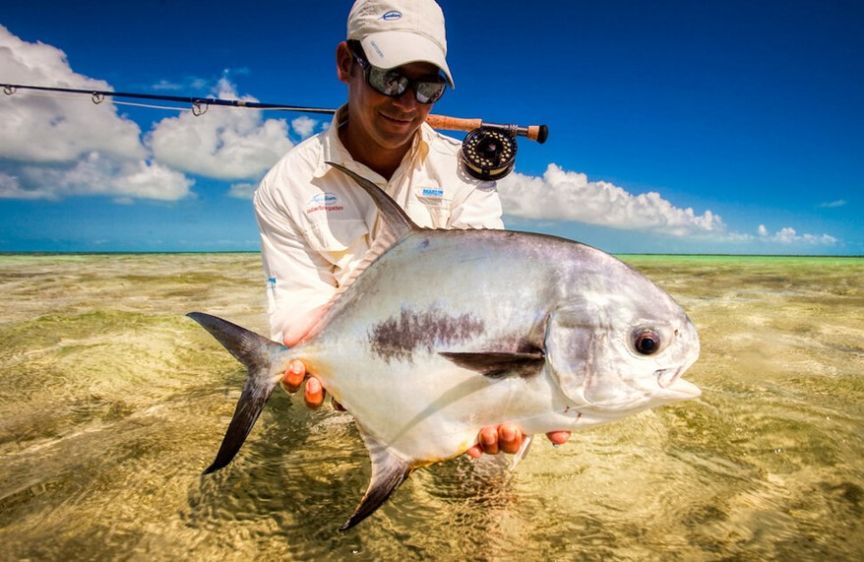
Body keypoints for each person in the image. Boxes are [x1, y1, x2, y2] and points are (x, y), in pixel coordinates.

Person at [253, 0, 570, 458]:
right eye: (391, 78)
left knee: (491, 486)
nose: (407, 103)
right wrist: (310, 355)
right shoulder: (284, 187)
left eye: (428, 87)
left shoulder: (462, 172)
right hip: (349, 385)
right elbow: (298, 311)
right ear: (347, 64)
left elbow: (491, 295)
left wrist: (531, 394)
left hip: (454, 378)